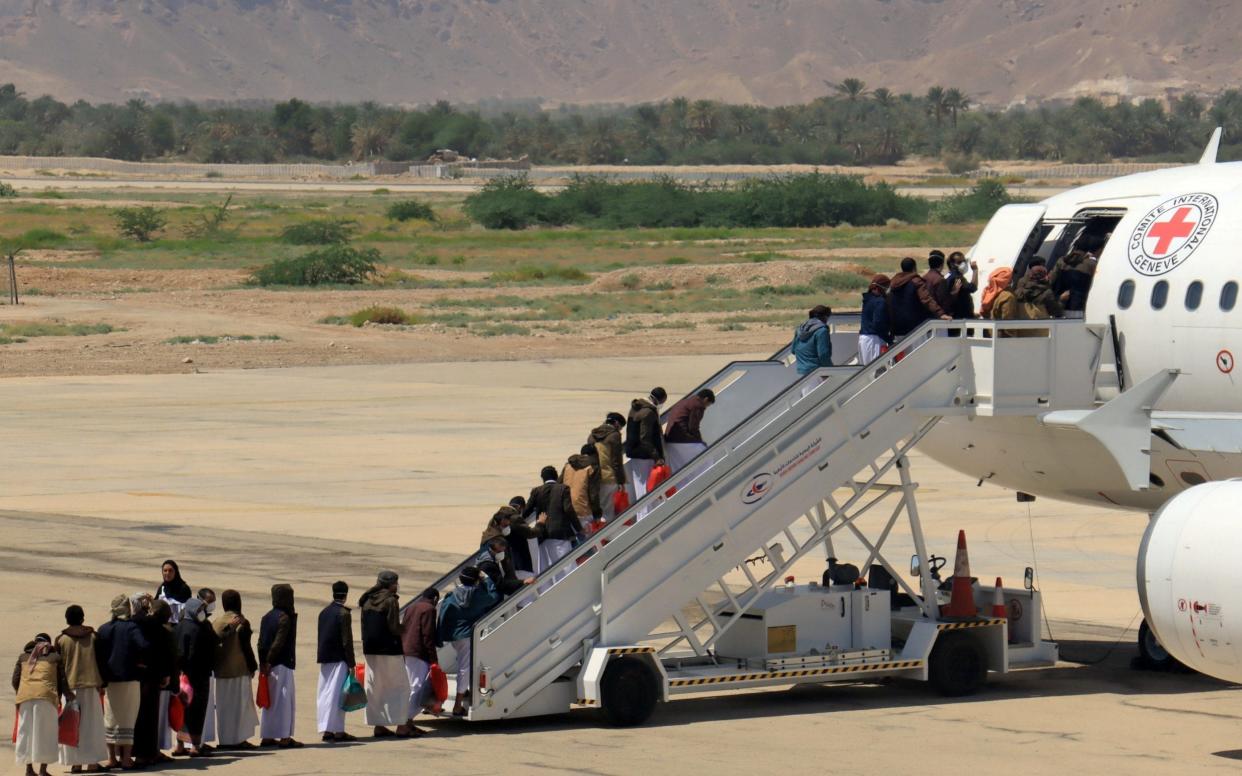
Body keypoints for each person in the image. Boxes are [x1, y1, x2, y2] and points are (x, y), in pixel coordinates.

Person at [437, 567, 499, 717]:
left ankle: (463, 693)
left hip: (454, 637)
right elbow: (494, 597)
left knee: (463, 665)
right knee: (465, 668)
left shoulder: (452, 595)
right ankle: (458, 705)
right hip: (467, 636)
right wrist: (487, 580)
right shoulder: (477, 596)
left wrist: (440, 635)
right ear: (476, 580)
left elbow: (443, 615)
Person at [360, 571, 413, 738]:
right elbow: (393, 627)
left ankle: (379, 725)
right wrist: (406, 627)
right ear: (391, 584)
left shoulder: (367, 599)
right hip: (390, 650)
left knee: (376, 687)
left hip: (370, 650)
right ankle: (402, 726)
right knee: (402, 687)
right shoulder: (390, 600)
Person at [96, 595, 147, 770]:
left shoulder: (103, 630)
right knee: (128, 718)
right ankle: (126, 758)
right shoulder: (132, 627)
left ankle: (111, 758)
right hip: (130, 678)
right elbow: (144, 645)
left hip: (109, 680)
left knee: (110, 718)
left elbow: (98, 655)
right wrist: (139, 661)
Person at [56, 606, 107, 773]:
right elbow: (101, 662)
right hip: (91, 687)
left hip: (70, 690)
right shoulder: (93, 637)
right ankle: (92, 763)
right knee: (91, 726)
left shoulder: (61, 640)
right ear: (82, 618)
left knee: (72, 726)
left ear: (66, 619)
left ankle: (75, 764)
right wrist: (103, 683)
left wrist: (60, 691)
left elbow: (59, 668)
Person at [13, 634, 68, 776]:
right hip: (46, 698)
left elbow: (15, 680)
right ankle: (43, 770)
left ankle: (29, 769)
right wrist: (62, 696)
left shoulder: (23, 657)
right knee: (46, 734)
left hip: (25, 698)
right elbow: (62, 680)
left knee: (26, 733)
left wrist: (25, 691)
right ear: (48, 644)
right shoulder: (55, 657)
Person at [130, 599, 175, 768]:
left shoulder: (138, 624)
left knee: (140, 717)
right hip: (152, 678)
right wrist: (165, 676)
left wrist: (142, 608)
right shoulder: (161, 630)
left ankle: (142, 753)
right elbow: (165, 656)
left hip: (139, 676)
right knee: (149, 718)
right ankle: (146, 754)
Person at [213, 590, 258, 750]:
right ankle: (239, 740)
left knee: (224, 707)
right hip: (238, 670)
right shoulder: (241, 622)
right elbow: (246, 647)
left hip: (221, 672)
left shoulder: (217, 621)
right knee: (240, 706)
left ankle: (225, 740)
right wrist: (253, 666)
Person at [257, 584, 301, 749]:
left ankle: (267, 736)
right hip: (281, 663)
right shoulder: (285, 617)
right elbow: (278, 643)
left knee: (270, 702)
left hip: (269, 666)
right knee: (284, 701)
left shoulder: (266, 616)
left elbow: (261, 643)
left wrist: (263, 663)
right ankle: (284, 737)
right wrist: (269, 661)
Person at [174, 598, 217, 758]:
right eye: (199, 610)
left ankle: (179, 745)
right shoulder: (198, 629)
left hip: (181, 676)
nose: (202, 614)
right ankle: (195, 746)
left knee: (183, 710)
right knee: (197, 711)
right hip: (197, 676)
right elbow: (194, 653)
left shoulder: (178, 626)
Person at [316, 581, 357, 744]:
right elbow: (347, 640)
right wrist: (351, 662)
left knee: (326, 694)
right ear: (345, 595)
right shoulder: (343, 613)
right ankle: (335, 731)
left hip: (326, 658)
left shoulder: (324, 612)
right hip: (339, 659)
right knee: (338, 695)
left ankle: (331, 729)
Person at [524, 465, 581, 579]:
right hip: (560, 533)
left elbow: (526, 511)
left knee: (545, 569)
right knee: (566, 566)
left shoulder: (536, 491)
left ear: (542, 478)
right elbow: (568, 509)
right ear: (556, 476)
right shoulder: (563, 489)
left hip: (542, 534)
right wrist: (579, 528)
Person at [401, 587, 440, 723]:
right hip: (418, 652)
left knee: (411, 685)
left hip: (406, 649)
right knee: (417, 686)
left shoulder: (411, 607)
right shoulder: (429, 609)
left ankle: (406, 720)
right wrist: (433, 659)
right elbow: (428, 636)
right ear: (435, 599)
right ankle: (406, 720)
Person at [889, 257, 951, 337]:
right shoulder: (916, 281)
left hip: (897, 328)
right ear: (914, 268)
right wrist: (940, 313)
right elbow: (926, 299)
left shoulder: (894, 284)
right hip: (914, 328)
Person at [624, 387, 667, 499]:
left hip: (635, 452)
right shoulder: (648, 412)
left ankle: (642, 513)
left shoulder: (637, 408)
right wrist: (656, 456)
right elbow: (645, 438)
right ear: (659, 400)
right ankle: (646, 513)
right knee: (647, 487)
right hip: (644, 454)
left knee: (640, 486)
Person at [663, 388, 715, 472]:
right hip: (681, 439)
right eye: (707, 405)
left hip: (669, 438)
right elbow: (693, 427)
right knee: (707, 455)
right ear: (706, 399)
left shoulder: (685, 401)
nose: (706, 407)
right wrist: (700, 441)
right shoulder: (698, 405)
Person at [588, 412, 627, 521]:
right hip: (609, 477)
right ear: (616, 424)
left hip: (594, 476)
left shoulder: (592, 435)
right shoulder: (614, 435)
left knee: (597, 507)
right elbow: (616, 461)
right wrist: (621, 480)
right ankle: (607, 536)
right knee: (608, 510)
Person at [560, 444, 602, 530]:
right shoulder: (593, 468)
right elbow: (593, 494)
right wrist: (597, 513)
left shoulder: (567, 465)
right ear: (594, 455)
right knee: (589, 540)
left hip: (566, 508)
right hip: (583, 511)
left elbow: (558, 485)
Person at [859, 274, 893, 364]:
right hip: (874, 340)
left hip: (863, 338)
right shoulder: (880, 301)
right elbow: (878, 323)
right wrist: (889, 339)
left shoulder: (867, 300)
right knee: (875, 369)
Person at [1051, 248, 1096, 316]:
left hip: (1062, 305)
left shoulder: (1061, 261)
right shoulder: (1092, 264)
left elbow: (1051, 280)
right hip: (1079, 306)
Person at [792, 305, 833, 375]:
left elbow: (793, 350)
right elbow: (823, 355)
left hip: (801, 372)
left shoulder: (799, 329)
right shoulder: (822, 331)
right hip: (817, 373)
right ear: (825, 317)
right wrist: (831, 370)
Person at [945, 251, 979, 319]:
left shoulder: (949, 275)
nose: (963, 264)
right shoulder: (956, 277)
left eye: (964, 261)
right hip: (960, 317)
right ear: (952, 264)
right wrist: (975, 270)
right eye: (959, 262)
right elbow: (972, 288)